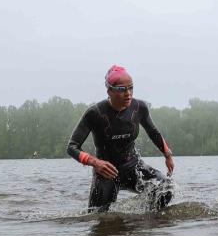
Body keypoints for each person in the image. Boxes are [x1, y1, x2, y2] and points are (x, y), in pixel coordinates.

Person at [67, 64, 176, 212]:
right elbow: (72, 147)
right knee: (98, 218)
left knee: (166, 188)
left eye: (131, 88)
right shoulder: (95, 113)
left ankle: (145, 222)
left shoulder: (139, 108)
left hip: (133, 168)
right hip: (106, 173)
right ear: (109, 91)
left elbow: (153, 132)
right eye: (121, 89)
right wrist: (96, 163)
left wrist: (167, 154)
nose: (128, 93)